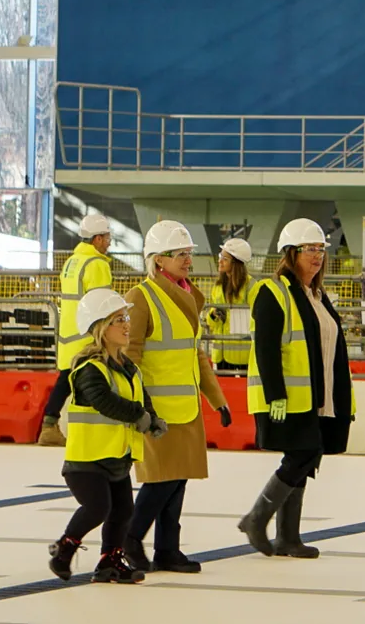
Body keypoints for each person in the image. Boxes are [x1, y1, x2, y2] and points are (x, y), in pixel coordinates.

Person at [238, 217, 355, 558]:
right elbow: (266, 348)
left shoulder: (317, 295)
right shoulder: (274, 292)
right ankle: (257, 519)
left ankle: (288, 537)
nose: (316, 256)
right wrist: (275, 393)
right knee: (302, 454)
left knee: (305, 458)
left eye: (320, 249)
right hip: (289, 397)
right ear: (290, 254)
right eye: (308, 250)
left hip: (319, 397)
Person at [122, 220, 232, 574]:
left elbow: (194, 353)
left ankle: (168, 548)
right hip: (156, 409)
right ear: (158, 261)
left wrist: (217, 399)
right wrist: (134, 405)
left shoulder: (186, 294)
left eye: (189, 253)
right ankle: (130, 537)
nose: (189, 260)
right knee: (161, 479)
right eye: (180, 254)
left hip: (185, 406)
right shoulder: (141, 297)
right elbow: (129, 355)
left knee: (178, 477)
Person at [48, 287, 166, 585]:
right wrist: (138, 416)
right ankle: (65, 548)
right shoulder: (90, 368)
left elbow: (141, 397)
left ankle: (109, 561)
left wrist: (152, 419)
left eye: (126, 317)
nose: (127, 324)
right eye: (118, 320)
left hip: (118, 454)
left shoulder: (129, 368)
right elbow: (103, 400)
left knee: (123, 510)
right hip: (87, 459)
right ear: (100, 327)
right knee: (97, 508)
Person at [40, 212, 114, 447]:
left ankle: (49, 425)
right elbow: (102, 303)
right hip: (87, 336)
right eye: (107, 237)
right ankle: (92, 431)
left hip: (69, 336)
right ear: (97, 239)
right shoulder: (96, 264)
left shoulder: (71, 262)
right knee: (95, 383)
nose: (109, 241)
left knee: (66, 381)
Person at [206, 237, 258, 372]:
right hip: (220, 355)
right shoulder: (217, 286)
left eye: (225, 258)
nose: (220, 261)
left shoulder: (251, 286)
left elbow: (257, 318)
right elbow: (210, 323)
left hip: (243, 357)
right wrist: (213, 315)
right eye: (220, 256)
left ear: (236, 263)